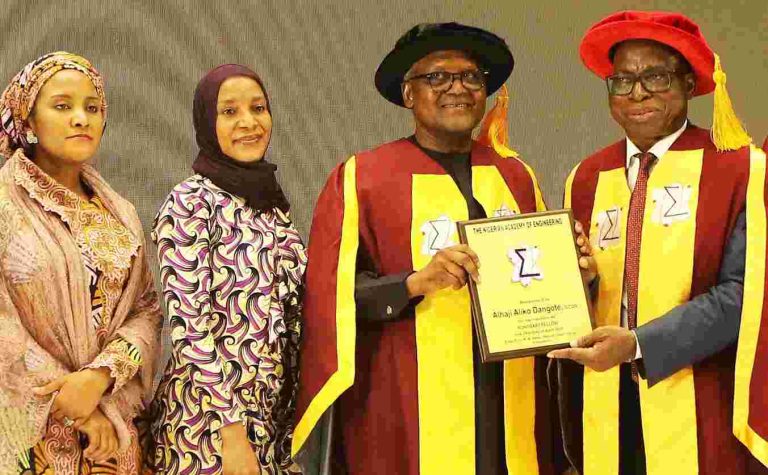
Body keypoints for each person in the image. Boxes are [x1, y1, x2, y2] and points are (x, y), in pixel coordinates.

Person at [293, 22, 590, 475]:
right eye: (436, 77)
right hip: (408, 403)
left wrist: (579, 274)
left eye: (471, 77)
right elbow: (328, 297)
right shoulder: (364, 177)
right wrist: (414, 283)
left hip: (507, 400)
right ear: (408, 94)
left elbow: (544, 287)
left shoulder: (515, 176)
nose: (458, 88)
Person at [547, 11, 768, 474]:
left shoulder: (739, 169)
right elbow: (577, 295)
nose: (638, 92)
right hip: (608, 397)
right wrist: (578, 281)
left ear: (689, 83)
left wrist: (637, 344)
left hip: (703, 393)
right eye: (622, 80)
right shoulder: (586, 177)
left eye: (656, 76)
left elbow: (746, 295)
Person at [0, 51, 162, 474]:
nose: (80, 118)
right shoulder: (3, 206)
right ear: (29, 122)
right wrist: (74, 404)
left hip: (113, 435)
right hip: (30, 434)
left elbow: (146, 308)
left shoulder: (120, 213)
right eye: (62, 106)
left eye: (92, 108)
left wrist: (100, 379)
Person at [149, 64, 307, 475]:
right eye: (229, 112)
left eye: (258, 108)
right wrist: (231, 435)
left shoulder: (271, 206)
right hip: (207, 430)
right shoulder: (190, 203)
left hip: (271, 425)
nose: (249, 123)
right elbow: (190, 328)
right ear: (207, 121)